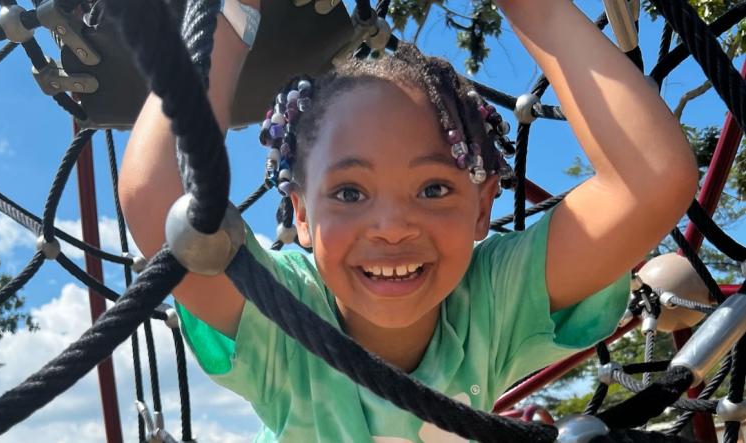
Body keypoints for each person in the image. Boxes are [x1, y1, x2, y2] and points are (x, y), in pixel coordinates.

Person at [119, 0, 698, 441]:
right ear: (300, 212)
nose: (392, 226)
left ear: (483, 206)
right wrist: (231, 16)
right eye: (348, 192)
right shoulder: (283, 318)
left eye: (434, 188)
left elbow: (648, 183)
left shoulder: (489, 301)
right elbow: (159, 203)